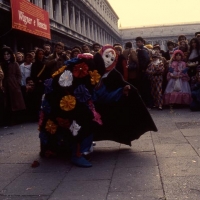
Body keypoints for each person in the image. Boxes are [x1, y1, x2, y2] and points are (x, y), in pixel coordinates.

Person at [92, 45, 157, 146]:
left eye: (112, 59)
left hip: (104, 103)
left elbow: (125, 85)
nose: (108, 60)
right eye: (107, 56)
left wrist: (126, 89)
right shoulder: (91, 67)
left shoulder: (113, 73)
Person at [0, 46, 26, 126]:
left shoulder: (14, 63)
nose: (6, 56)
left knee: (16, 102)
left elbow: (19, 75)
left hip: (13, 84)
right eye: (4, 54)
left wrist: (17, 83)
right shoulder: (1, 64)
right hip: (5, 84)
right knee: (7, 102)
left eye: (8, 54)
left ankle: (17, 119)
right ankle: (7, 120)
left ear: (10, 55)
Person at [135, 37, 152, 107]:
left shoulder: (142, 50)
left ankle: (147, 103)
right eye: (137, 42)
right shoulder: (145, 49)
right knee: (146, 88)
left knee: (144, 88)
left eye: (139, 42)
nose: (137, 43)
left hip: (143, 72)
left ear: (142, 42)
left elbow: (145, 60)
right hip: (145, 71)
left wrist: (142, 69)